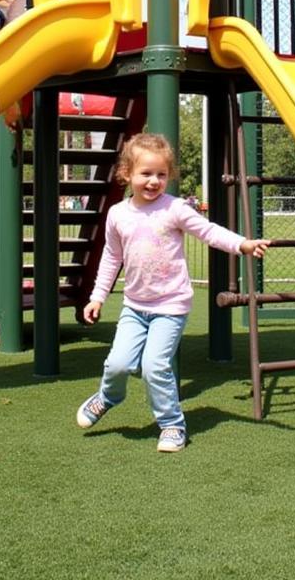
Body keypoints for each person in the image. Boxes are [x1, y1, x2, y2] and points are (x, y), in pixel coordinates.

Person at [76, 133, 270, 452]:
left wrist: (242, 244)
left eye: (161, 175)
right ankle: (108, 397)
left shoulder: (175, 209)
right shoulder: (117, 214)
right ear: (127, 174)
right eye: (146, 174)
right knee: (117, 364)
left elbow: (208, 231)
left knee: (155, 366)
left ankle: (171, 424)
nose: (154, 181)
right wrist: (97, 296)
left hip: (171, 306)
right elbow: (112, 257)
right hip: (134, 307)